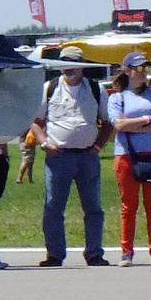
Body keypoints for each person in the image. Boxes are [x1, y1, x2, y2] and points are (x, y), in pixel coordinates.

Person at [31, 46, 109, 265]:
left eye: (72, 63)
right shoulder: (50, 88)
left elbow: (107, 122)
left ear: (81, 67)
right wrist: (45, 143)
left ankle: (94, 253)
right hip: (58, 157)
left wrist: (98, 147)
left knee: (93, 207)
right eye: (64, 63)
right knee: (53, 207)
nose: (68, 68)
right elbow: (35, 122)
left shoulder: (96, 89)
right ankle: (55, 254)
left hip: (88, 157)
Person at [106, 50, 151, 266]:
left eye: (145, 68)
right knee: (128, 206)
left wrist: (137, 125)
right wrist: (147, 120)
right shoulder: (117, 97)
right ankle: (127, 252)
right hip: (126, 157)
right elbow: (119, 125)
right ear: (127, 71)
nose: (143, 72)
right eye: (139, 68)